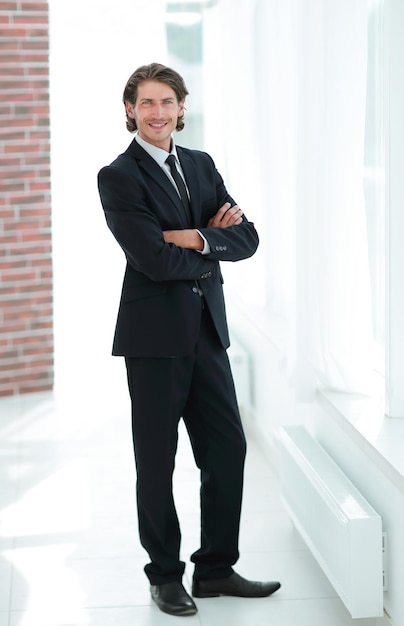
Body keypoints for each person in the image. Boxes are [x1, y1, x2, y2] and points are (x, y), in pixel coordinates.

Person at [97, 62, 281, 617]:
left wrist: (191, 236)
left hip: (207, 333)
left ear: (182, 107)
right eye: (146, 103)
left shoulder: (200, 165)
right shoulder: (119, 176)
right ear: (130, 109)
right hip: (153, 341)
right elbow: (151, 259)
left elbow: (246, 238)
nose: (157, 113)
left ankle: (217, 569)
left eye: (167, 102)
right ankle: (165, 576)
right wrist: (209, 240)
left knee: (227, 450)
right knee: (156, 463)